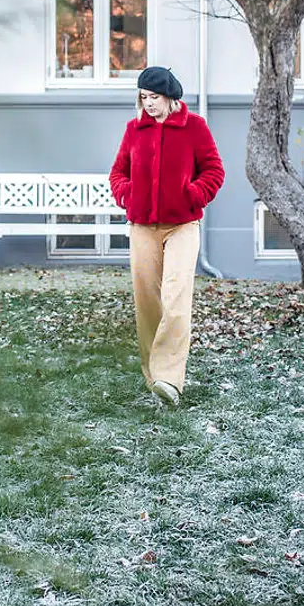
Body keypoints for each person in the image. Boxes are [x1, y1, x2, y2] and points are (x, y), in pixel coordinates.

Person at [108, 66, 224, 408]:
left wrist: (193, 194)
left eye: (154, 98)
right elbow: (118, 172)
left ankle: (170, 379)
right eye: (143, 98)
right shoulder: (134, 130)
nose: (148, 105)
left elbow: (214, 171)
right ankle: (153, 376)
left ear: (170, 98)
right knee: (147, 302)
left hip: (182, 225)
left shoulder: (195, 127)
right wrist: (128, 194)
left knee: (175, 297)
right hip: (142, 225)